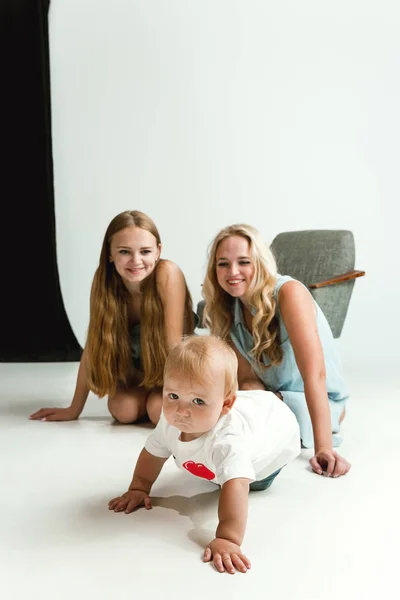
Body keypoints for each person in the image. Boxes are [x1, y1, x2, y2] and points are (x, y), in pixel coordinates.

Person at [108, 335, 300, 574]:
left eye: (198, 401)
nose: (182, 411)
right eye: (173, 396)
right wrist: (139, 487)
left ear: (225, 405)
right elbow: (152, 453)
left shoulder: (229, 441)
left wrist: (228, 538)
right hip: (227, 434)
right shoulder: (171, 422)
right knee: (215, 467)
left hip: (269, 452)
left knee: (237, 480)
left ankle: (290, 401)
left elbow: (237, 485)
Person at [202, 224, 352, 479]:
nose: (233, 272)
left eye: (244, 262)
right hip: (271, 396)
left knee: (242, 412)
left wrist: (323, 447)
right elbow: (247, 381)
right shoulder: (229, 308)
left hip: (313, 400)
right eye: (223, 264)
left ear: (259, 263)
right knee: (238, 399)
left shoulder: (289, 293)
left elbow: (314, 375)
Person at [30, 210, 195, 424]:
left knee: (159, 412)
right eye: (125, 251)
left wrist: (180, 396)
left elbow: (174, 346)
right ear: (110, 253)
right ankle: (143, 400)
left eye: (145, 251)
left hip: (168, 368)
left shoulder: (168, 273)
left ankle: (152, 401)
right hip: (134, 373)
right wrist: (73, 410)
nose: (136, 261)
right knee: (123, 410)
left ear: (158, 251)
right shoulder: (105, 283)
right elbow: (93, 346)